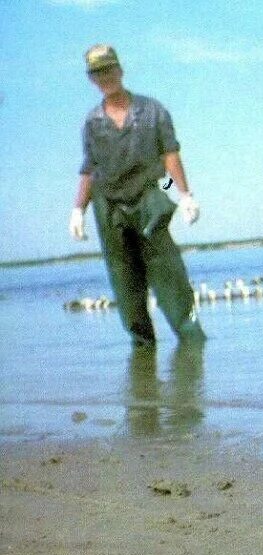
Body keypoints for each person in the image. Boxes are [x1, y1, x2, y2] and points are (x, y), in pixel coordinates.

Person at [69, 44, 206, 346]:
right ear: (92, 79)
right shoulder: (92, 123)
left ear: (120, 70)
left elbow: (169, 155)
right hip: (108, 207)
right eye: (97, 73)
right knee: (125, 284)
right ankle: (142, 358)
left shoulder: (152, 110)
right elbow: (89, 169)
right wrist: (78, 209)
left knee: (169, 274)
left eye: (108, 69)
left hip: (148, 199)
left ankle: (192, 348)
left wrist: (184, 194)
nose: (105, 77)